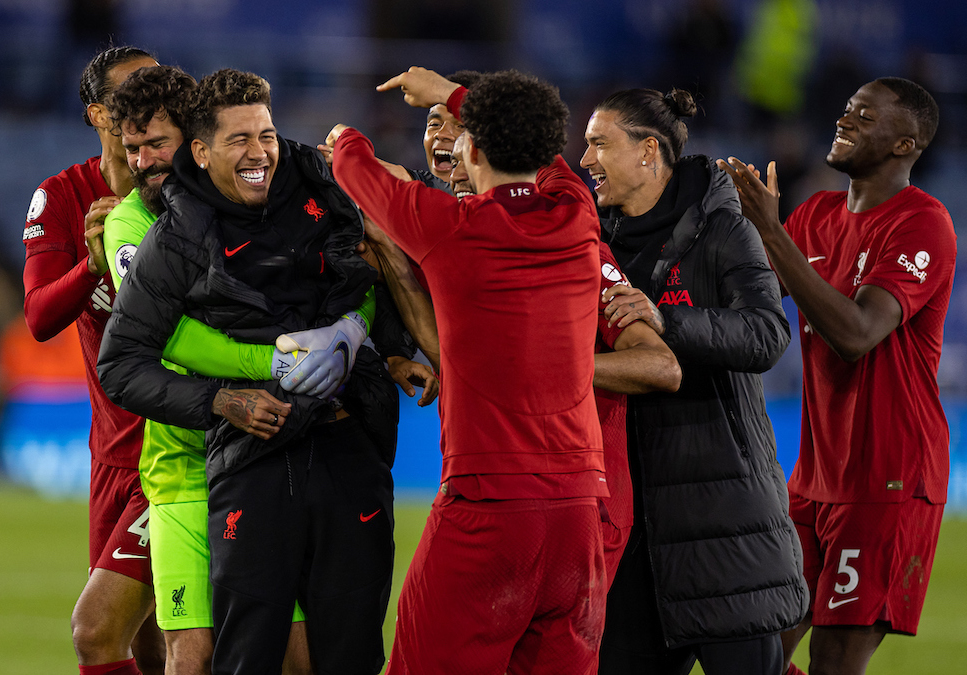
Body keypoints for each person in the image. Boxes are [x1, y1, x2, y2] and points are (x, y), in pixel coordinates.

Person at [97, 68, 396, 675]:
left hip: (347, 450)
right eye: (240, 140)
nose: (260, 151)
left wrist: (356, 335)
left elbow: (369, 269)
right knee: (242, 655)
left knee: (353, 651)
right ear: (202, 153)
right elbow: (122, 362)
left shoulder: (318, 185)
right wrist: (223, 400)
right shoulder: (170, 237)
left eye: (267, 134)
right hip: (245, 459)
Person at [331, 67, 609, 674]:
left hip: (490, 511)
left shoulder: (447, 226)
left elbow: (352, 166)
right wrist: (452, 95)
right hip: (580, 517)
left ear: (472, 148)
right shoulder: (575, 212)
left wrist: (345, 133)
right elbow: (548, 159)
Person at [719, 77, 955, 675]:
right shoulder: (817, 214)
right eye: (846, 109)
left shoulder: (921, 223)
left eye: (865, 116)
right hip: (813, 477)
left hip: (887, 478)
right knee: (752, 651)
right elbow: (747, 301)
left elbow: (855, 334)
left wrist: (771, 231)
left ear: (905, 144)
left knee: (831, 663)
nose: (845, 120)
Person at [580, 87, 808, 675]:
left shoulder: (723, 231)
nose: (585, 160)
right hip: (628, 526)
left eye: (598, 144)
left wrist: (665, 318)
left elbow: (766, 334)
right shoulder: (589, 240)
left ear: (648, 151)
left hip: (722, 518)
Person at [21, 45, 163, 675]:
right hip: (112, 456)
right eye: (135, 90)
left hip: (176, 449)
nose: (153, 97)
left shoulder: (187, 192)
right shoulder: (61, 197)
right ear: (98, 114)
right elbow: (41, 317)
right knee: (149, 647)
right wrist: (92, 265)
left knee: (96, 632)